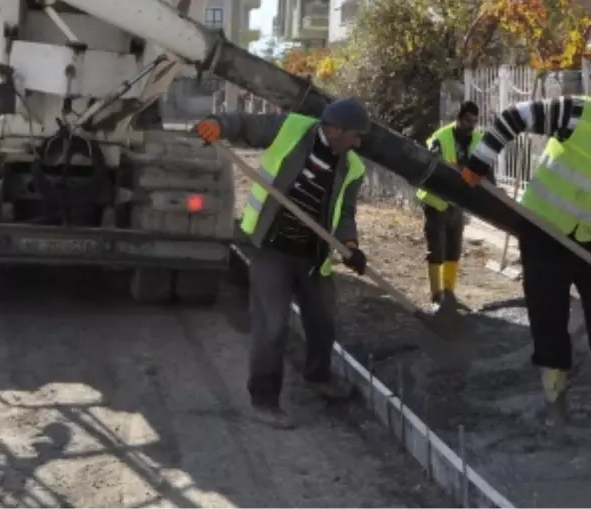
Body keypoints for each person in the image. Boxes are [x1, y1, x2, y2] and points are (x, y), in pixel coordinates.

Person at [459, 81, 591, 424]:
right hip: (544, 230)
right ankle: (554, 396)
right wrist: (479, 163)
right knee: (548, 314)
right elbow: (512, 117)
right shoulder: (582, 113)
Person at [194, 99, 371, 429]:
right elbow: (246, 125)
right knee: (271, 325)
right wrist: (217, 124)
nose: (358, 143)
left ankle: (317, 376)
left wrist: (350, 245)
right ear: (334, 130)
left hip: (312, 253)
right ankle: (264, 399)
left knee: (323, 320)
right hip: (271, 247)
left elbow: (345, 213)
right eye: (355, 135)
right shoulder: (291, 129)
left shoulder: (353, 167)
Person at [415, 101, 488, 312]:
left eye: (475, 121)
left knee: (454, 248)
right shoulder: (440, 138)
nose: (471, 126)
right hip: (436, 201)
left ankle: (449, 293)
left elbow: (485, 168)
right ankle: (436, 296)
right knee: (437, 248)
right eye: (467, 121)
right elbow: (433, 164)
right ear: (458, 118)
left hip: (458, 202)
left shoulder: (477, 139)